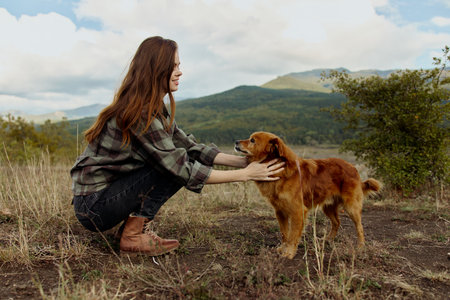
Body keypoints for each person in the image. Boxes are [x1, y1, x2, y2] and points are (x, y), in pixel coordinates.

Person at [70, 36, 285, 256]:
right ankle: (133, 236)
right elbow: (182, 168)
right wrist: (245, 174)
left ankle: (131, 231)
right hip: (93, 207)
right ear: (156, 69)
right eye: (173, 67)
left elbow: (189, 146)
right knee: (169, 166)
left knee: (175, 158)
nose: (180, 72)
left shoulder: (154, 108)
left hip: (103, 198)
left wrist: (243, 161)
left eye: (179, 65)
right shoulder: (140, 113)